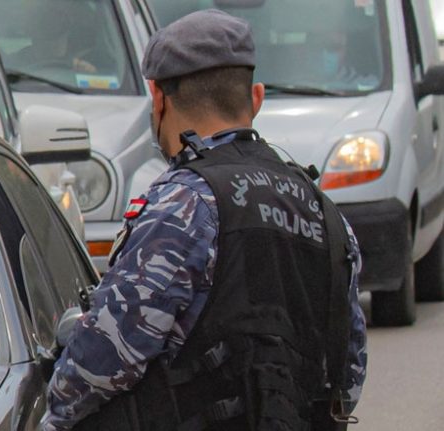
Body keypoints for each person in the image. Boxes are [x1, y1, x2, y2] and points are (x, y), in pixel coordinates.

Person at [41, 9, 367, 431]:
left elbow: (101, 362)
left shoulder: (182, 205)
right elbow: (348, 373)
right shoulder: (325, 213)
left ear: (159, 98)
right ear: (256, 99)